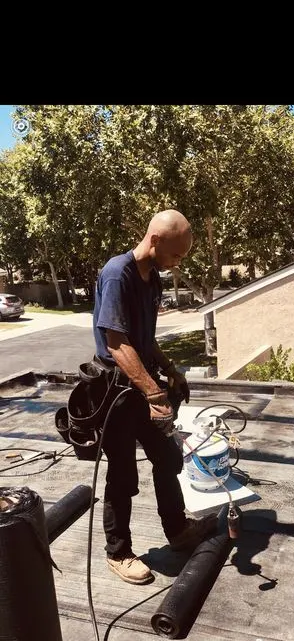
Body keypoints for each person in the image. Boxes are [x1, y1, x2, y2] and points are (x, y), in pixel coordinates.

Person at [92, 209, 217, 584]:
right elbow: (117, 343)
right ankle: (119, 552)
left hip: (144, 384)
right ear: (156, 240)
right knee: (123, 474)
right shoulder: (118, 274)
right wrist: (154, 394)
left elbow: (144, 340)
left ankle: (177, 532)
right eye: (177, 255)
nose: (178, 262)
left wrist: (171, 368)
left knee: (167, 458)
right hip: (117, 391)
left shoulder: (153, 280)